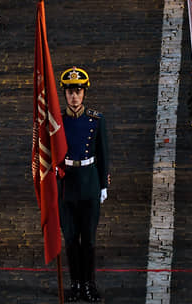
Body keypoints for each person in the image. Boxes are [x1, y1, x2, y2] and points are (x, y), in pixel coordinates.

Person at [58, 67, 109, 302]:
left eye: (78, 91)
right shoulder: (57, 122)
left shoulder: (96, 121)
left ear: (84, 93)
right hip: (66, 187)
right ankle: (75, 283)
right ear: (64, 94)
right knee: (70, 239)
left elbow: (103, 153)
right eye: (70, 92)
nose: (74, 97)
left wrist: (103, 184)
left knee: (88, 240)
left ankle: (89, 283)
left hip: (89, 183)